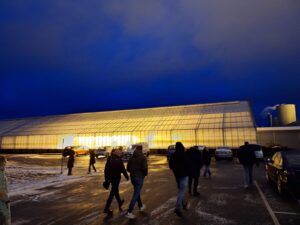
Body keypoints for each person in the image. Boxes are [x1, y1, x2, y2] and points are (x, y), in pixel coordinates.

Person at [103, 149, 129, 215]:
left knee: (115, 191)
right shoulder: (118, 160)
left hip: (111, 178)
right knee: (112, 193)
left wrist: (106, 179)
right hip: (116, 178)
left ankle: (119, 202)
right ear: (116, 153)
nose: (120, 153)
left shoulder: (109, 159)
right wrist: (127, 177)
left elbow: (106, 170)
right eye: (119, 152)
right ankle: (106, 208)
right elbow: (123, 169)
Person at [125, 146, 148, 219]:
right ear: (141, 150)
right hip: (139, 177)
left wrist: (132, 172)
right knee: (136, 194)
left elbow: (128, 168)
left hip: (133, 177)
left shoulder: (132, 157)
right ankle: (129, 212)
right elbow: (145, 168)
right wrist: (145, 174)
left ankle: (140, 206)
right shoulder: (143, 157)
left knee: (136, 192)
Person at [169, 142, 189, 217]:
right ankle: (177, 208)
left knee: (181, 190)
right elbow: (188, 164)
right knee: (181, 191)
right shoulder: (184, 154)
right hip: (184, 175)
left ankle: (183, 204)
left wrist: (175, 170)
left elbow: (170, 165)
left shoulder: (174, 155)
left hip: (177, 175)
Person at [0, 156, 11, 225]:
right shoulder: (0, 174)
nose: (6, 163)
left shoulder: (2, 173)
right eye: (5, 162)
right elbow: (0, 190)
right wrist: (6, 200)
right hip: (1, 206)